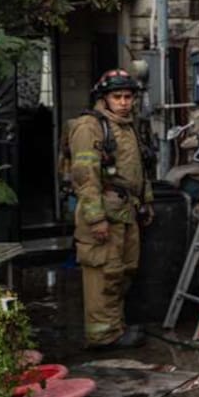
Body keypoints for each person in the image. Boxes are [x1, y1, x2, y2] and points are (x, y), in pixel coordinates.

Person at [68, 69, 155, 349]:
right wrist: (95, 219)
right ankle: (102, 336)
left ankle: (115, 327)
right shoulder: (89, 127)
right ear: (104, 98)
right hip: (103, 214)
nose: (123, 102)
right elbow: (84, 175)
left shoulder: (128, 126)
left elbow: (139, 169)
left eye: (128, 96)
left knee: (122, 271)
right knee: (103, 274)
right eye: (117, 96)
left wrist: (146, 202)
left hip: (126, 211)